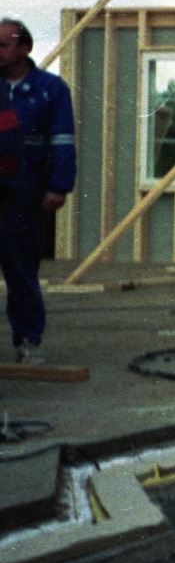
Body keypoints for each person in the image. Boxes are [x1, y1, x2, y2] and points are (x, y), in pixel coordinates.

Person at [0, 19, 75, 365]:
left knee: (21, 267)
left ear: (25, 48)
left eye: (3, 45)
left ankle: (28, 340)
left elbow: (63, 139)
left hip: (26, 190)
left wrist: (59, 186)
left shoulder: (51, 89)